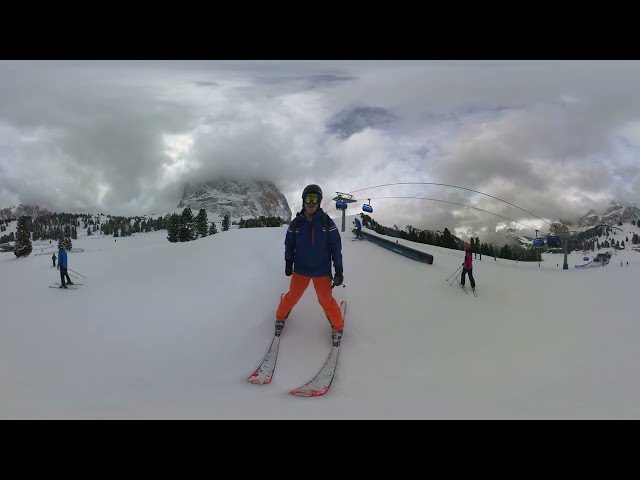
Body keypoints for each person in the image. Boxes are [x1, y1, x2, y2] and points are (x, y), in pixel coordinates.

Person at [275, 184, 345, 347]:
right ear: (303, 201)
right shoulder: (296, 224)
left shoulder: (327, 223)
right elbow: (289, 244)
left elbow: (336, 247)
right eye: (308, 198)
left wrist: (339, 269)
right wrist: (288, 261)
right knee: (293, 295)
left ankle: (338, 327)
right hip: (301, 269)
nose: (311, 202)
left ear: (319, 201)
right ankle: (280, 317)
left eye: (315, 199)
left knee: (325, 301)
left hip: (322, 271)